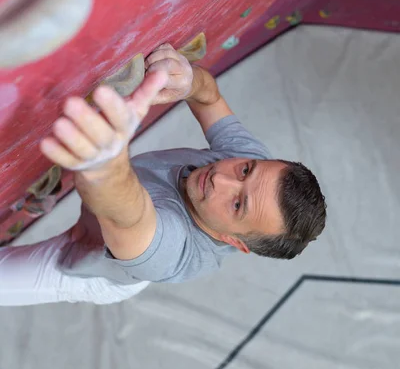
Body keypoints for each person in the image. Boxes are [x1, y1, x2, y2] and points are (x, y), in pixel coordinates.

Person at [0, 44, 326, 306]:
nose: (220, 178)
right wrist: (188, 80)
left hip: (96, 268)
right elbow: (209, 97)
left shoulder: (172, 253)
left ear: (232, 241)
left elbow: (127, 216)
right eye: (244, 170)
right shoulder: (254, 166)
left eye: (237, 204)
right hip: (107, 210)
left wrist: (109, 163)